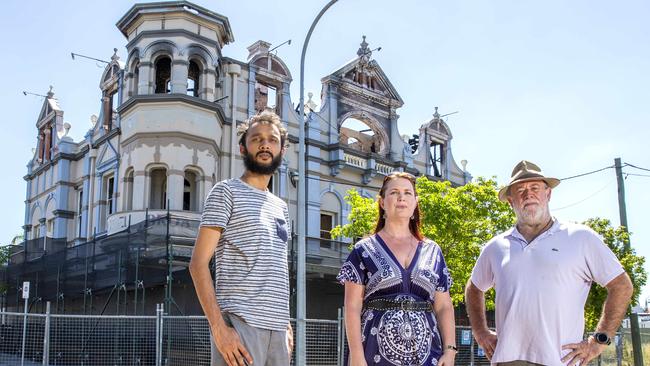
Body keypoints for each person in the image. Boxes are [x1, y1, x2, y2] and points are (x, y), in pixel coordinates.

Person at [465, 160, 634, 366]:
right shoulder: (495, 247)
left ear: (548, 194)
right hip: (507, 360)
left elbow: (621, 286)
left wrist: (600, 340)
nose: (528, 195)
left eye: (535, 188)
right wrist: (480, 332)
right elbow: (473, 288)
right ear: (511, 201)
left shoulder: (580, 238)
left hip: (560, 360)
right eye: (520, 190)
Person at [190, 111, 293, 366]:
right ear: (243, 149)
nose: (265, 144)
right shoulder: (226, 192)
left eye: (272, 139)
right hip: (241, 327)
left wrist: (286, 324)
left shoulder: (280, 206)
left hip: (278, 334)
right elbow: (198, 264)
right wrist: (219, 329)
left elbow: (276, 269)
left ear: (282, 150)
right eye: (257, 139)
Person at [337, 172, 457, 366]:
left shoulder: (433, 251)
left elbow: (443, 306)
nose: (402, 197)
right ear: (382, 202)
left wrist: (450, 351)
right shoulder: (363, 249)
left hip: (428, 354)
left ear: (416, 202)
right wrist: (357, 356)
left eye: (408, 193)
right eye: (394, 192)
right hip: (374, 353)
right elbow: (352, 308)